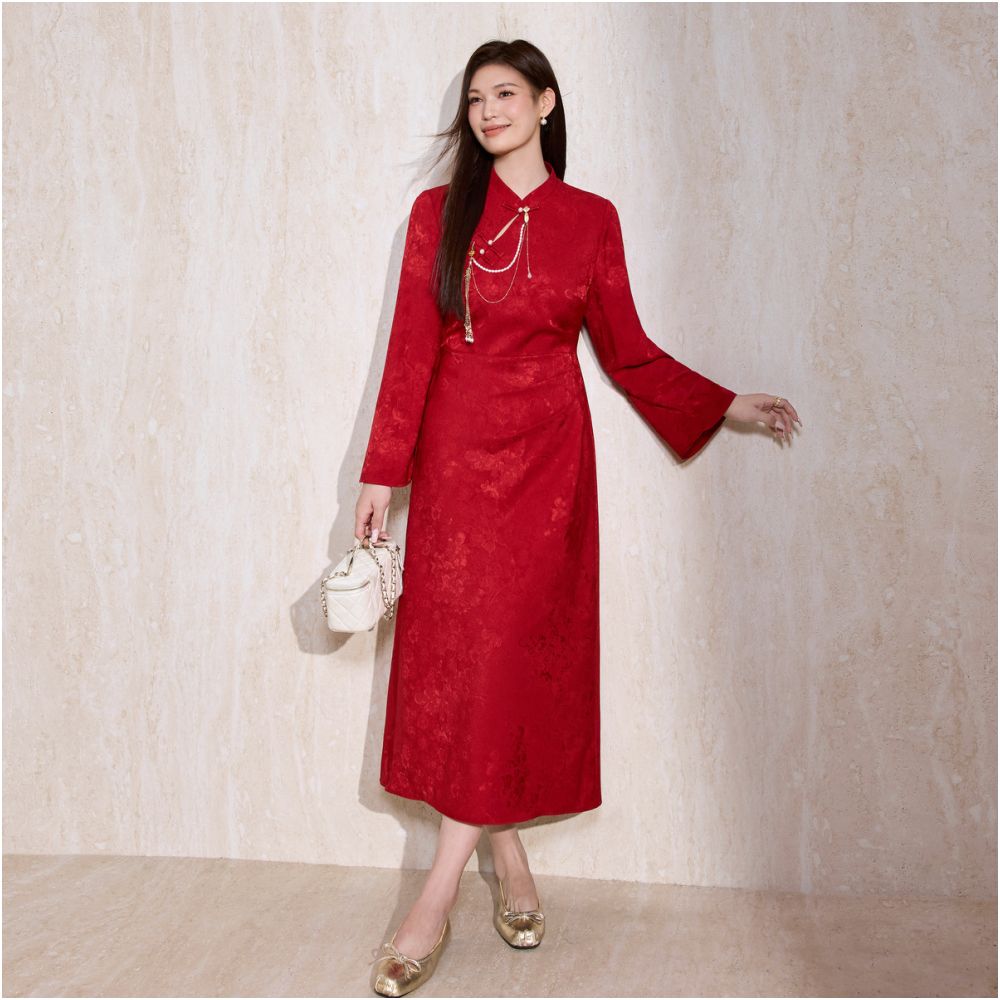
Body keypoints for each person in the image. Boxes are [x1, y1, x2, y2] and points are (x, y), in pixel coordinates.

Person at [355, 39, 801, 997]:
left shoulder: (591, 219)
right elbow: (409, 351)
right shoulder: (438, 213)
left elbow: (627, 350)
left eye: (506, 93)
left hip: (550, 465)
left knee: (514, 657)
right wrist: (381, 473)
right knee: (466, 660)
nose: (489, 111)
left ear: (546, 103)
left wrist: (725, 404)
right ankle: (502, 855)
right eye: (476, 98)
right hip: (458, 462)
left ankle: (437, 891)